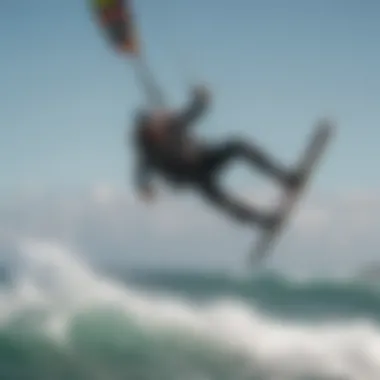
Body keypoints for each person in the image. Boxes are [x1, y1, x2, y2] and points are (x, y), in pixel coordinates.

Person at [129, 85, 302, 230]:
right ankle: (264, 222)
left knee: (238, 146)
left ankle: (285, 178)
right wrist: (146, 190)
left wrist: (202, 98)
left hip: (205, 160)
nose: (156, 128)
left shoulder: (171, 125)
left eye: (154, 124)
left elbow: (194, 112)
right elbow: (140, 176)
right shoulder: (147, 153)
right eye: (150, 129)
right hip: (194, 178)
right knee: (223, 203)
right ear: (145, 134)